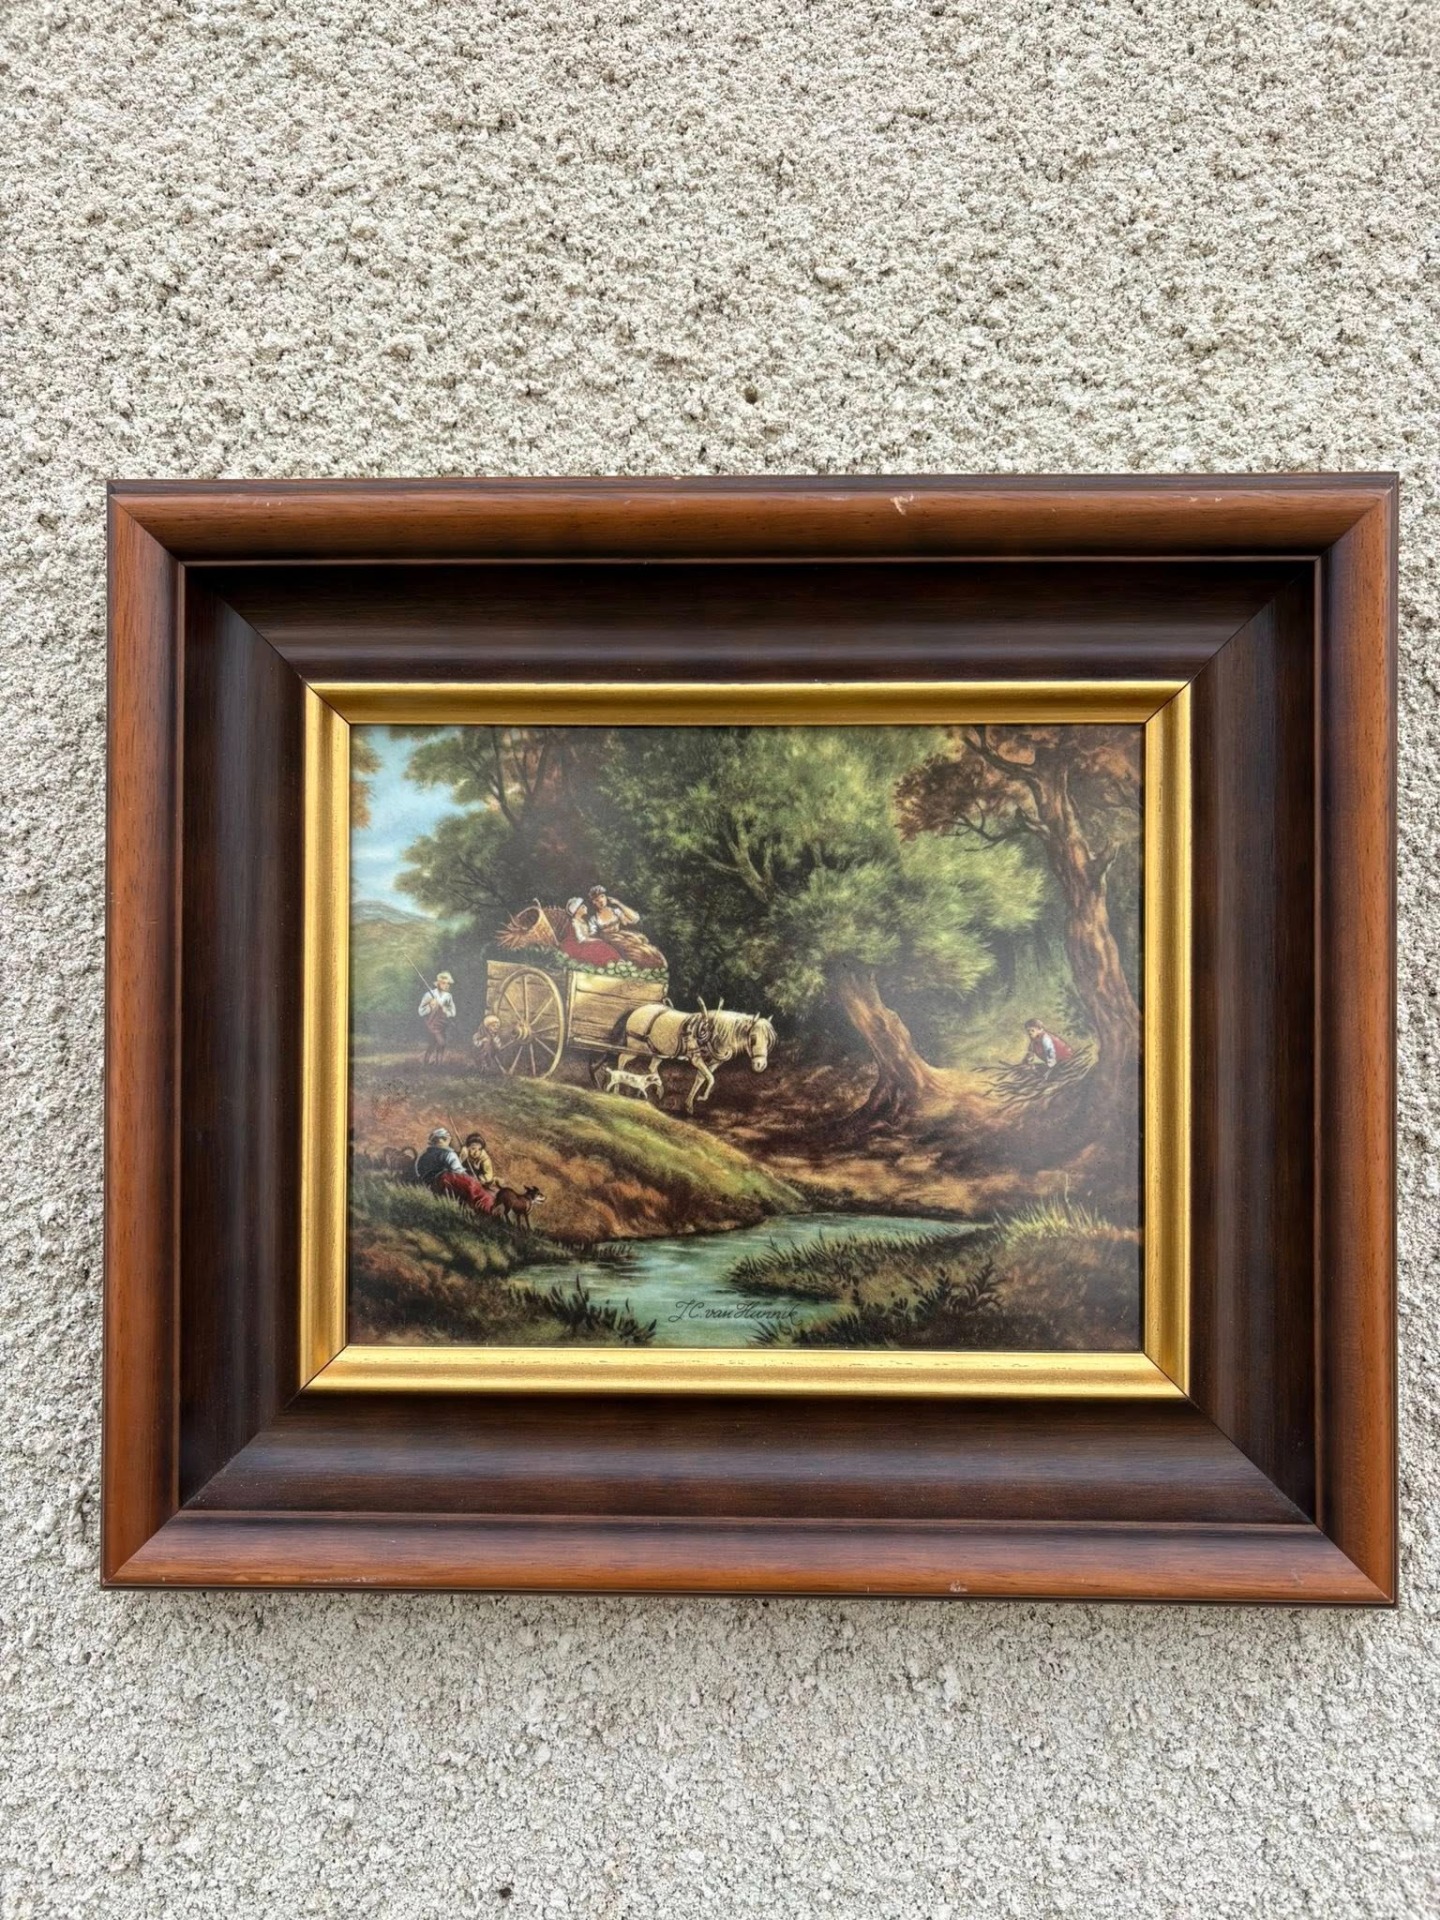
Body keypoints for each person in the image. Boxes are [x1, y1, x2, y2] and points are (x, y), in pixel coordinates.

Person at [560, 887, 665, 970]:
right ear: (594, 902)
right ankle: (624, 967)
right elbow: (591, 935)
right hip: (610, 941)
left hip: (621, 937)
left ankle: (653, 964)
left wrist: (618, 903)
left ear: (606, 897)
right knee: (629, 953)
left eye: (602, 897)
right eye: (597, 900)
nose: (601, 901)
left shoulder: (615, 911)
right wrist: (601, 938)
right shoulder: (593, 919)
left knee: (641, 946)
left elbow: (634, 919)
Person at [415, 1126, 495, 1216]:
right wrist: (463, 1162)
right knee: (472, 1186)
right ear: (445, 1140)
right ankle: (489, 1210)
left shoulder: (424, 1154)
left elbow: (418, 1171)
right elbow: (459, 1171)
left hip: (429, 1183)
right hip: (443, 1180)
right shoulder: (448, 1154)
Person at [418, 972, 456, 1064]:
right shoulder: (429, 995)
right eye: (443, 983)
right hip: (432, 1024)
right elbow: (421, 1011)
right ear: (438, 983)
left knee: (433, 1044)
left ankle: (431, 1064)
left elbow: (453, 1012)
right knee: (441, 1043)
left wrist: (446, 1010)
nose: (446, 985)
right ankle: (438, 1065)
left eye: (448, 983)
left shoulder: (448, 996)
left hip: (443, 1024)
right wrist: (430, 1006)